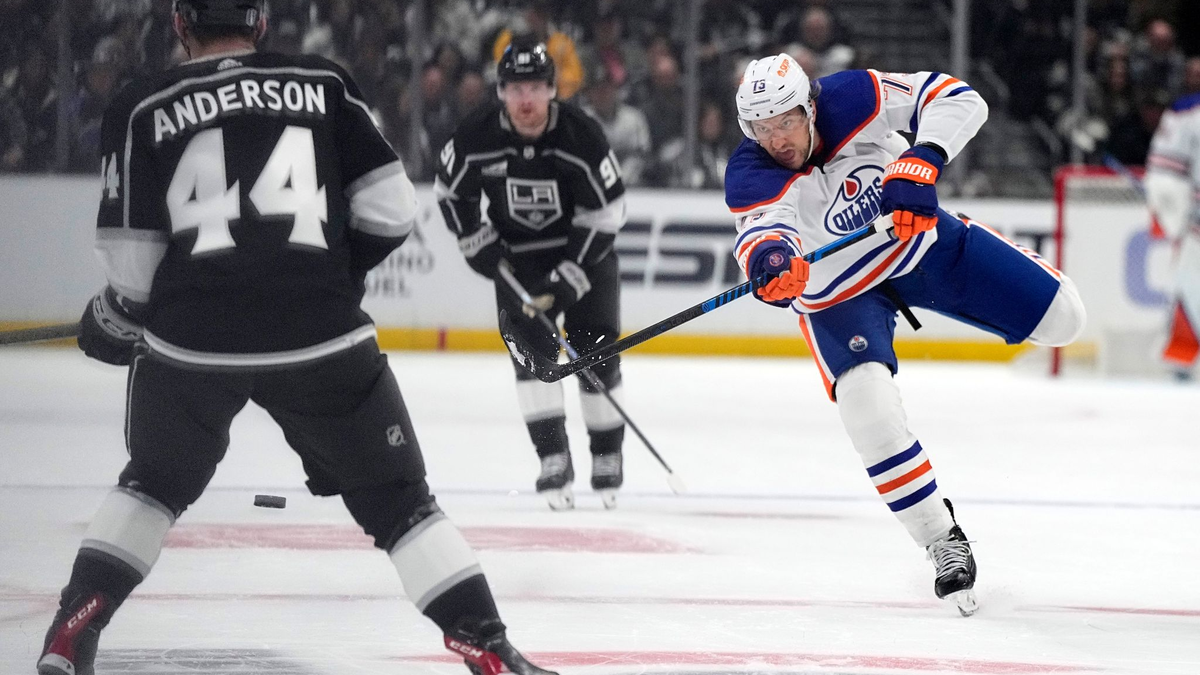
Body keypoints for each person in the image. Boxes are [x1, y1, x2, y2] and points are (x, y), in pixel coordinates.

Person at [36, 3, 556, 675]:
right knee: (400, 503)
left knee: (152, 484)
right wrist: (330, 275)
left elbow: (132, 264)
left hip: (194, 343)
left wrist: (112, 318)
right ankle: (487, 646)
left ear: (180, 25)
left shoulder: (142, 103)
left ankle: (72, 630)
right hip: (321, 336)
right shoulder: (323, 83)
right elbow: (392, 210)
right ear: (260, 24)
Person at [724, 54, 1086, 615]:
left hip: (921, 247)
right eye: (761, 127)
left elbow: (961, 99)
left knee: (1065, 319)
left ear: (810, 107)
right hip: (839, 296)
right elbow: (762, 234)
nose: (776, 140)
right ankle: (942, 540)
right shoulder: (751, 170)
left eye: (786, 122)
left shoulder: (854, 96)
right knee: (867, 411)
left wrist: (923, 158)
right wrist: (773, 263)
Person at [436, 40, 628, 511]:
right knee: (530, 357)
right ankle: (552, 456)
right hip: (518, 263)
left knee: (595, 352)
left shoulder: (581, 134)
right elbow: (451, 193)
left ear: (552, 90)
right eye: (517, 88)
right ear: (501, 91)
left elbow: (610, 211)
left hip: (583, 255)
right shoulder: (476, 135)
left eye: (536, 88)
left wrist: (570, 273)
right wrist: (477, 244)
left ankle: (607, 452)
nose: (527, 100)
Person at [1145, 86, 1200, 378]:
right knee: (1190, 285)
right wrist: (1177, 220)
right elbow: (1165, 179)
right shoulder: (1188, 112)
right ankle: (1181, 360)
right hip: (1197, 230)